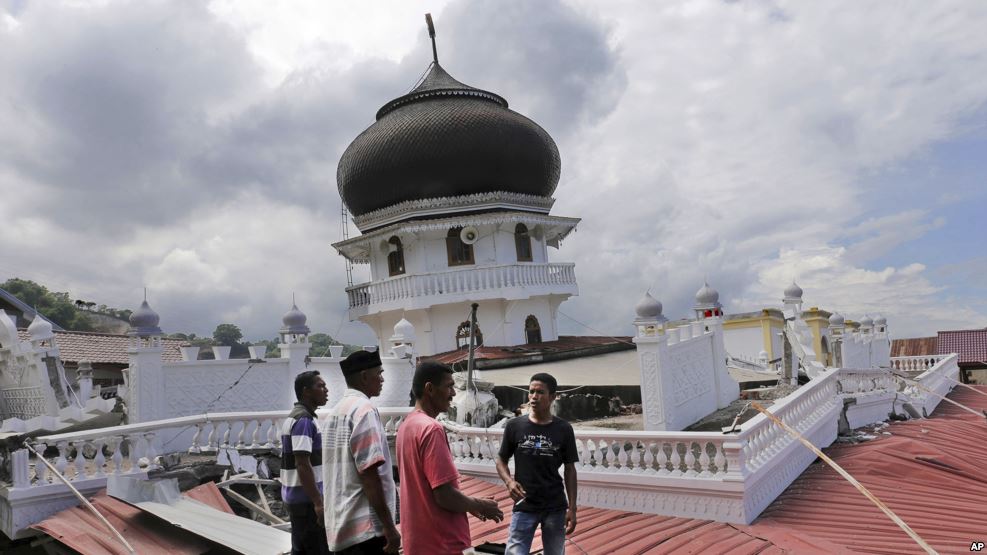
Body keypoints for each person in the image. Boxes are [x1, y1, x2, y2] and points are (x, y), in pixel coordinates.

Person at [396, 361, 504, 555]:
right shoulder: (431, 429)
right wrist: (479, 505)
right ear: (429, 388)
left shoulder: (406, 426)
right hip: (442, 543)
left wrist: (469, 503)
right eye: (449, 386)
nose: (454, 393)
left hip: (418, 542)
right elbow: (443, 495)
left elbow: (428, 488)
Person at [323, 350, 400, 554]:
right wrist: (389, 527)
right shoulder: (364, 410)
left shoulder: (335, 412)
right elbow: (369, 473)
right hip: (366, 531)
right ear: (365, 376)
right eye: (379, 373)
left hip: (342, 526)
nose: (382, 379)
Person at [495, 373, 578, 555]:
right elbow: (501, 459)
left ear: (553, 397)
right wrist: (509, 482)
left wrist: (572, 508)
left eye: (540, 392)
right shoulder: (514, 426)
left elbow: (570, 469)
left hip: (555, 506)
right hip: (524, 504)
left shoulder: (563, 429)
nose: (534, 396)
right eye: (531, 391)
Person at [280, 370, 331, 555]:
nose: (326, 390)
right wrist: (318, 502)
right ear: (306, 391)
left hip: (298, 499)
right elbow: (302, 463)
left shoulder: (296, 417)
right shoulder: (303, 420)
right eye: (320, 386)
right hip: (306, 502)